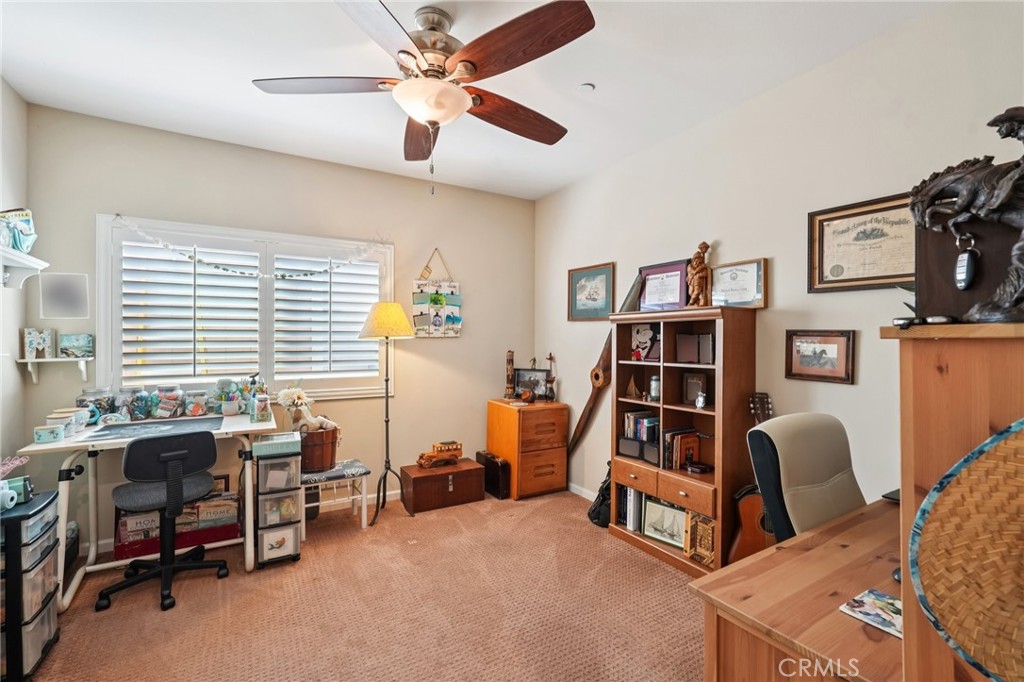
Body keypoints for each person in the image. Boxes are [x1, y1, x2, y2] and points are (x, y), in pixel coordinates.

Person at [687, 241, 711, 307]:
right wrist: (699, 269)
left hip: (698, 281)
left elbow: (705, 273)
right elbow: (691, 271)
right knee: (691, 293)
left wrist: (699, 274)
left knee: (697, 292)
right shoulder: (690, 266)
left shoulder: (703, 267)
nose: (696, 262)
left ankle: (690, 303)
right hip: (691, 281)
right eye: (695, 260)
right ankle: (695, 303)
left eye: (698, 260)